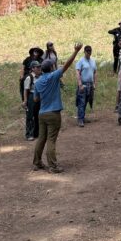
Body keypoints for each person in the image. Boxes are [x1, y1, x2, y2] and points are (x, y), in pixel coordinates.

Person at [33, 42, 82, 173]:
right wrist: (76, 51)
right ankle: (53, 166)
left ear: (42, 69)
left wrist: (44, 94)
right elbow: (67, 65)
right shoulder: (54, 76)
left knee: (41, 139)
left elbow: (35, 99)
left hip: (42, 113)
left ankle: (37, 163)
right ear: (51, 68)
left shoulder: (37, 82)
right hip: (53, 113)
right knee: (51, 140)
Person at [75, 45, 97, 127]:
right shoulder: (81, 61)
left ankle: (82, 117)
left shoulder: (93, 61)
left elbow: (95, 72)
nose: (89, 53)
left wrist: (94, 83)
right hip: (83, 84)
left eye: (90, 51)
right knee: (81, 101)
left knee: (87, 101)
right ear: (84, 52)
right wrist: (80, 83)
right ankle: (80, 119)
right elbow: (77, 72)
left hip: (90, 84)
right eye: (87, 51)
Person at [22, 60, 42, 141]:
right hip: (31, 96)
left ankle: (36, 133)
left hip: (39, 97)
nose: (39, 68)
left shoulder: (41, 76)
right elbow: (26, 90)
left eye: (39, 67)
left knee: (38, 115)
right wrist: (25, 101)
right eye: (37, 67)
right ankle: (29, 134)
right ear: (33, 68)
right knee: (30, 116)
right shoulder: (29, 77)